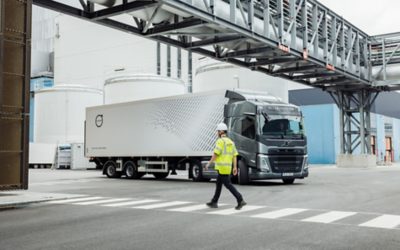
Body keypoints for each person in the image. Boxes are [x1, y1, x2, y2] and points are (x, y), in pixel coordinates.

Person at [205, 122, 246, 210]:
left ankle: (240, 199)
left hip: (222, 167)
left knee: (228, 185)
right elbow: (234, 155)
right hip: (227, 167)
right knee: (218, 184)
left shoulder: (220, 141)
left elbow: (216, 154)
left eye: (217, 131)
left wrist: (208, 163)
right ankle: (214, 201)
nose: (217, 133)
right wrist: (235, 167)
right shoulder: (231, 142)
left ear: (220, 132)